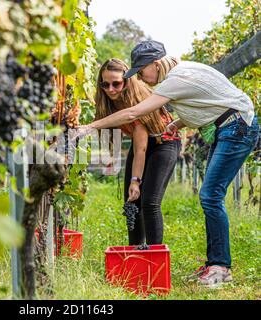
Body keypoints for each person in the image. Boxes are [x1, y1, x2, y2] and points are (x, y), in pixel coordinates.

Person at [78, 40, 259, 288]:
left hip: (237, 126)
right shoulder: (183, 71)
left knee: (210, 195)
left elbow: (133, 113)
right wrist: (176, 124)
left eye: (141, 71)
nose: (140, 77)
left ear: (154, 64)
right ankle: (214, 263)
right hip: (231, 124)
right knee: (211, 195)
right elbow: (206, 102)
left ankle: (220, 267)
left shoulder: (175, 79)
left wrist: (90, 126)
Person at [94, 58, 180, 245]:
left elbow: (141, 148)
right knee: (131, 202)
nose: (110, 89)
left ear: (126, 80)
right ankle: (134, 254)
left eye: (116, 83)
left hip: (163, 143)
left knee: (149, 202)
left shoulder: (136, 99)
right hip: (141, 143)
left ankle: (155, 257)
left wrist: (136, 181)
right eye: (105, 84)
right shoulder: (109, 102)